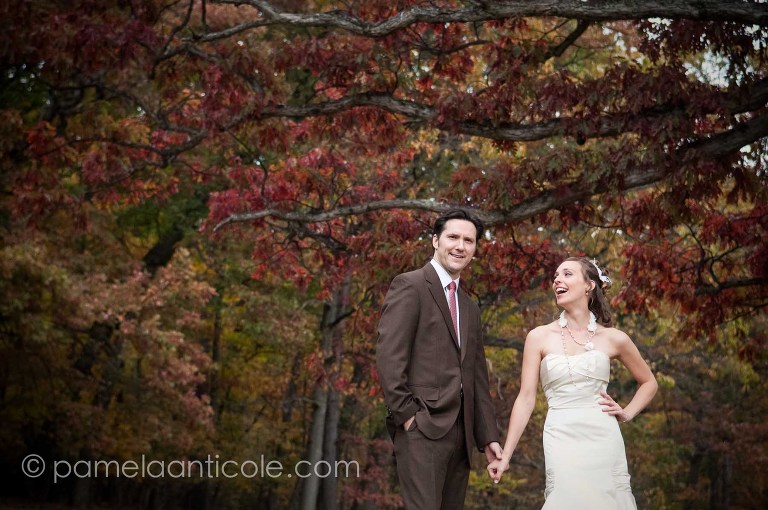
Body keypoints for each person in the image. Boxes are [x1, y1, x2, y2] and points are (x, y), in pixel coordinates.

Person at [487, 257, 658, 509]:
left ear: (589, 285)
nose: (557, 279)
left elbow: (649, 382)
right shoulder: (538, 337)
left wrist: (627, 413)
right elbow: (525, 398)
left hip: (603, 437)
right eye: (556, 276)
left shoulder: (614, 338)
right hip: (561, 433)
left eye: (567, 274)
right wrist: (506, 456)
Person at [376, 209, 502, 510]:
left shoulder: (469, 306)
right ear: (436, 241)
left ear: (474, 249)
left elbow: (476, 377)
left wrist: (487, 437)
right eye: (453, 237)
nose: (460, 246)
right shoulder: (411, 285)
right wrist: (407, 416)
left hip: (462, 437)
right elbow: (389, 356)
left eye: (469, 241)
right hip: (422, 428)